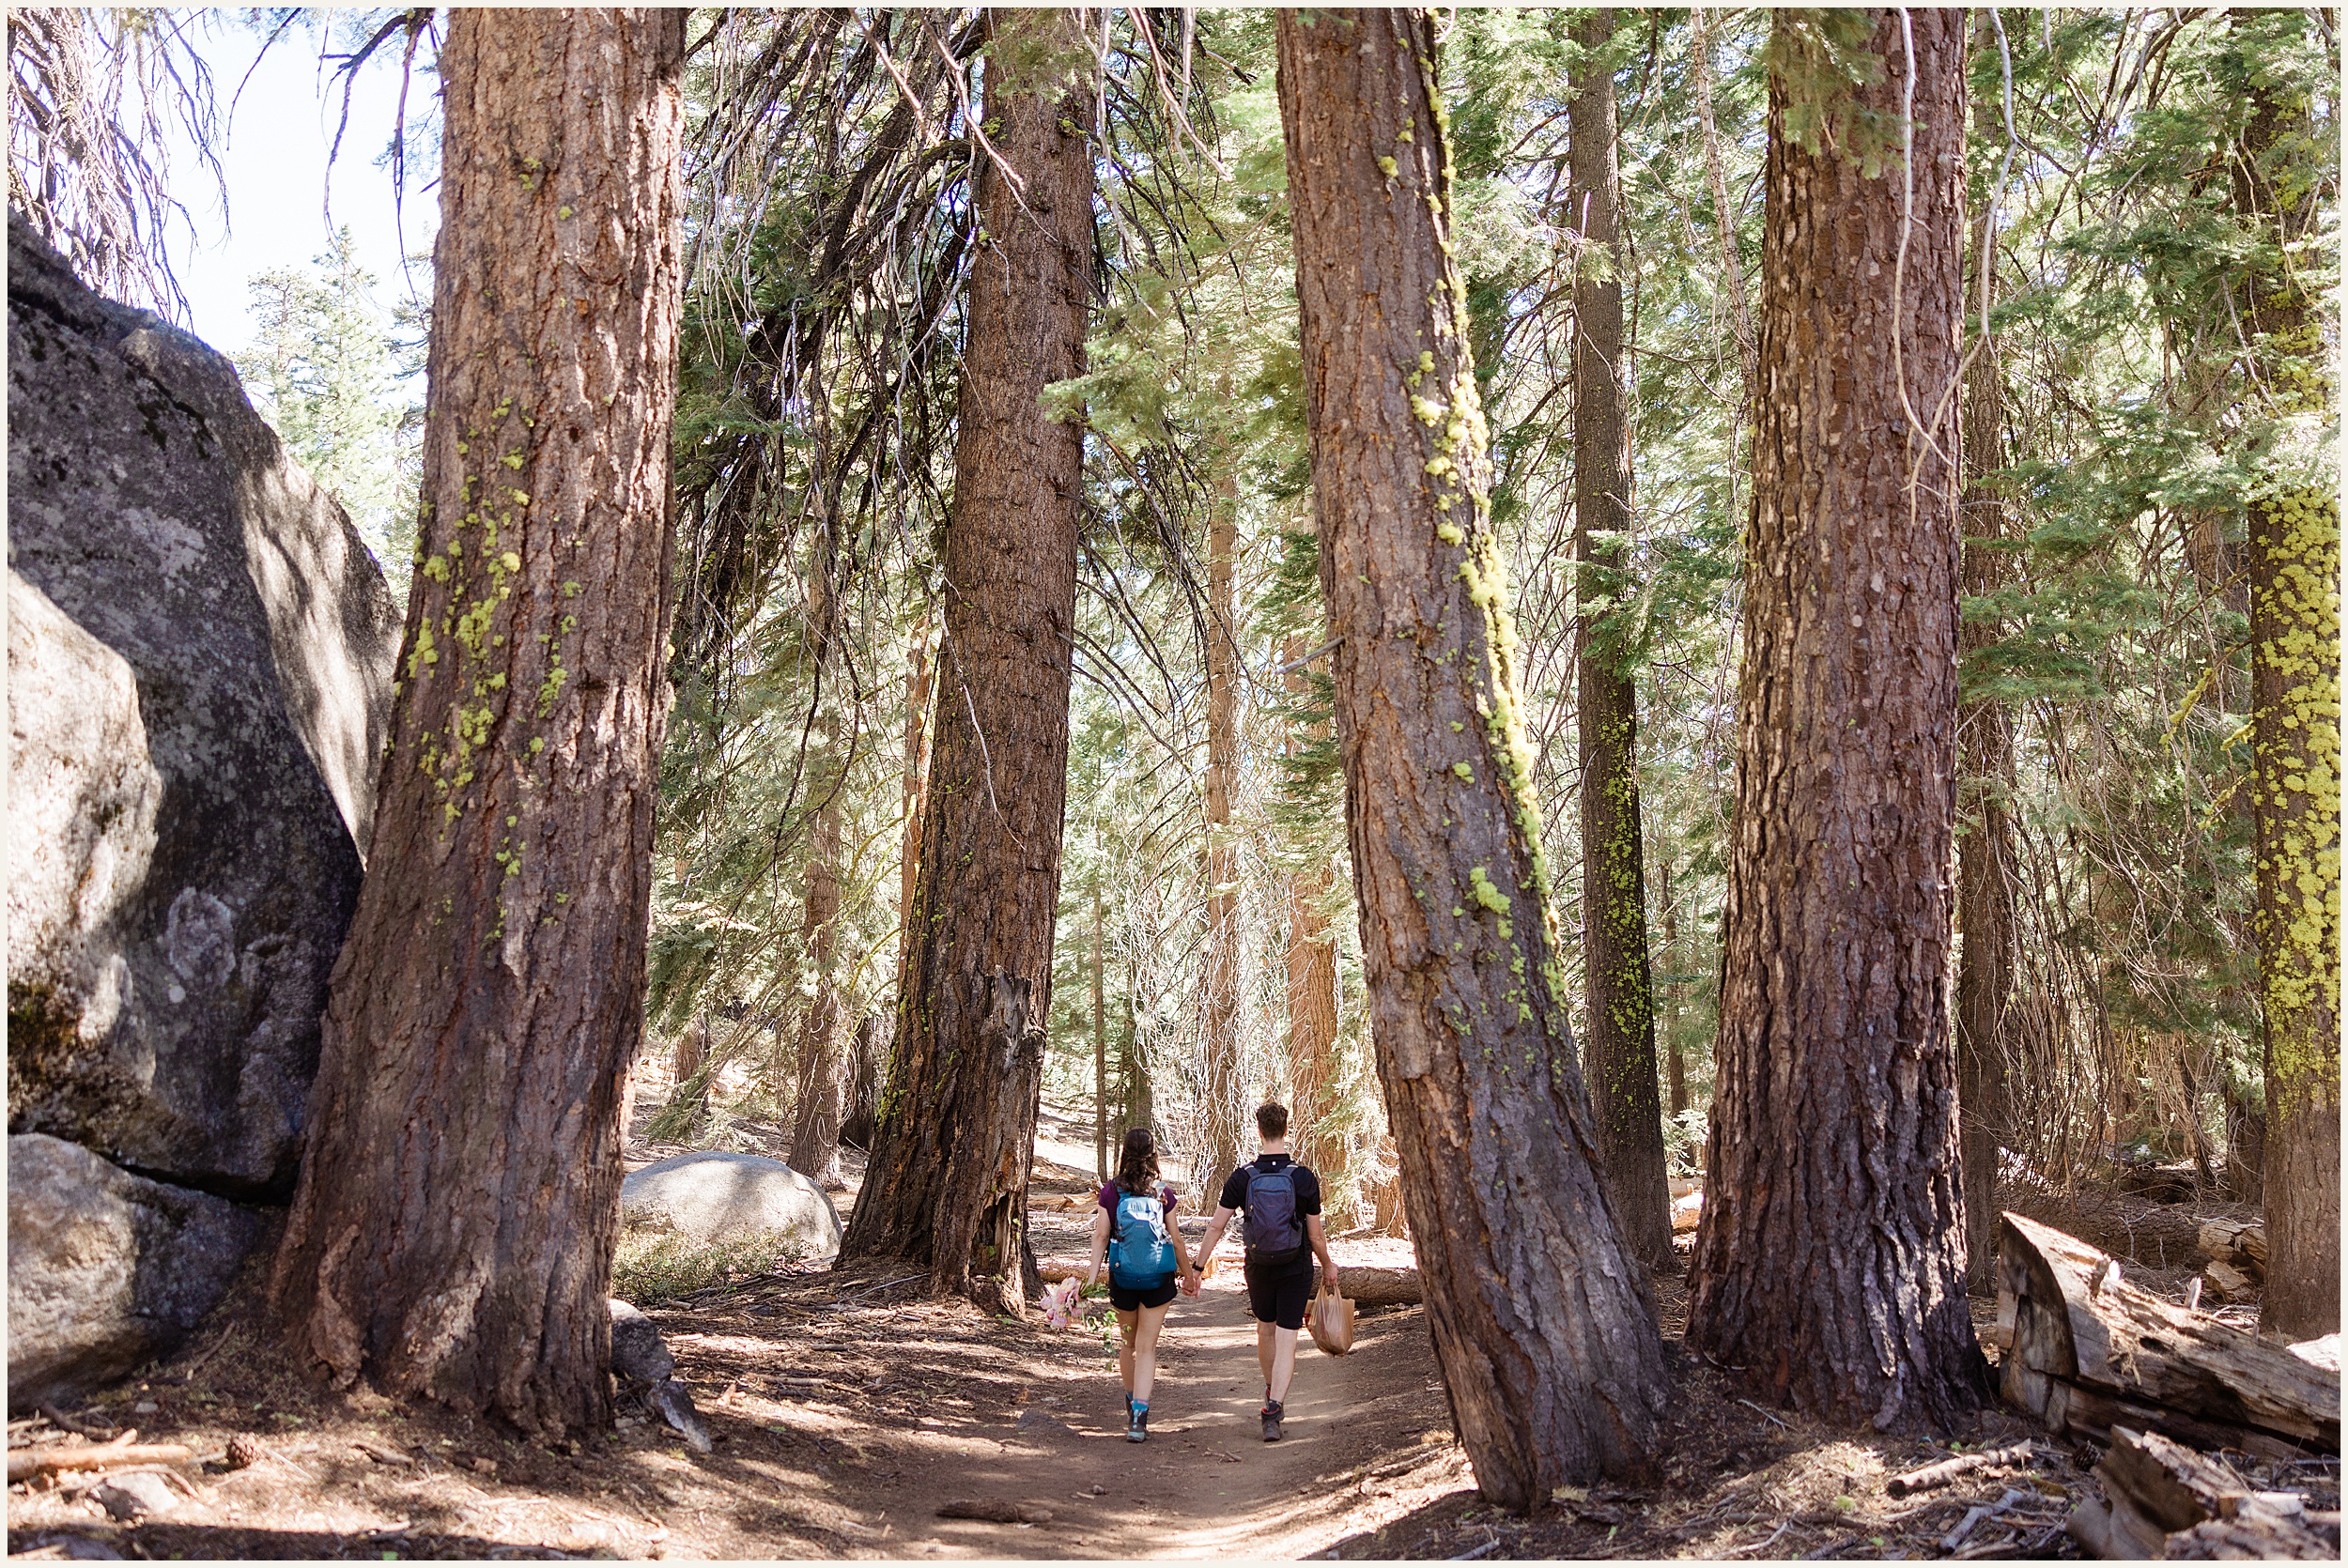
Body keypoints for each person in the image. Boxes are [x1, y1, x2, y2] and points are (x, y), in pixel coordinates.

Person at [1188, 1102, 1340, 1441]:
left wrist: (1198, 1267)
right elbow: (1314, 1235)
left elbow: (1215, 1227)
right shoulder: (1302, 1177)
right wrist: (1328, 1264)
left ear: (1259, 1131)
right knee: (1288, 1338)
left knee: (1265, 1331)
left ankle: (1271, 1389)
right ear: (1286, 1131)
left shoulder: (1243, 1177)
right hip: (1295, 1267)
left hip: (1258, 1267)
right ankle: (1274, 1408)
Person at [1085, 1126, 1199, 1442]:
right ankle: (1139, 1418)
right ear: (1153, 1155)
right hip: (1157, 1280)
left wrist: (1090, 1282)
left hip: (1122, 1278)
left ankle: (1131, 1399)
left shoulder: (1111, 1191)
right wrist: (1189, 1275)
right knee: (1147, 1349)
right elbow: (1175, 1240)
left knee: (1128, 1345)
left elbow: (1100, 1237)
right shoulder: (1163, 1192)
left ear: (1124, 1153)